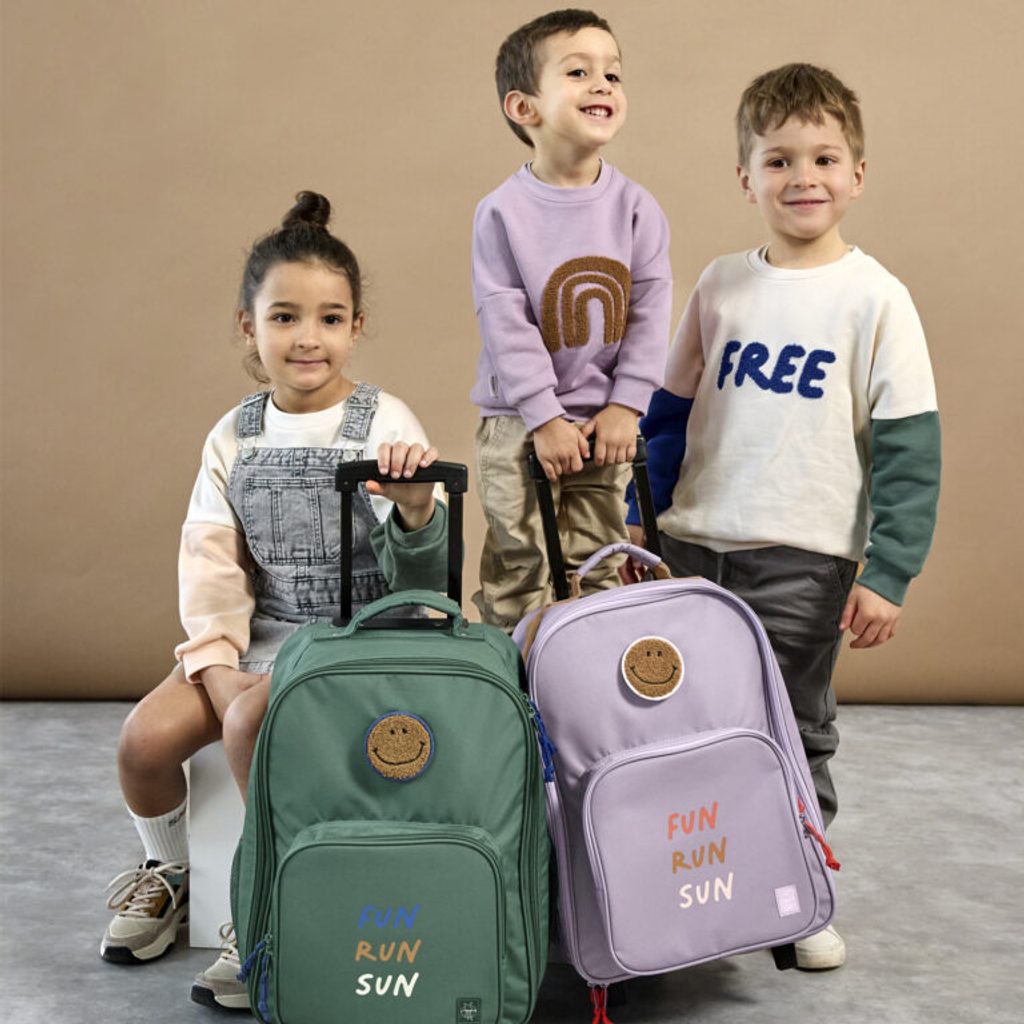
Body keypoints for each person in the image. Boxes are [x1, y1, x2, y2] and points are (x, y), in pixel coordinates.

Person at [100, 191, 450, 1011]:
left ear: (356, 327)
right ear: (247, 326)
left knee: (254, 724)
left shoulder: (382, 422)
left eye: (330, 319)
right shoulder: (235, 433)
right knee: (144, 740)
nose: (307, 338)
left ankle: (267, 904)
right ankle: (173, 868)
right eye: (284, 317)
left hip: (358, 643)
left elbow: (427, 585)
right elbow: (212, 563)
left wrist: (415, 508)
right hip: (263, 636)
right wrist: (218, 663)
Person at [626, 63, 941, 969]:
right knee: (678, 725)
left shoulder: (876, 298)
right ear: (746, 177)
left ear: (857, 173)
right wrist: (643, 517)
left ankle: (798, 895)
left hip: (804, 559)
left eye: (824, 158)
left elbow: (910, 449)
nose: (803, 177)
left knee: (790, 729)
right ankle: (688, 895)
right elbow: (667, 418)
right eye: (779, 160)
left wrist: (889, 571)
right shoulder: (721, 284)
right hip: (692, 545)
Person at [471, 7, 672, 630]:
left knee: (600, 556)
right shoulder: (502, 212)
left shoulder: (637, 208)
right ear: (524, 107)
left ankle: (594, 673)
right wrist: (543, 415)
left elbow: (650, 312)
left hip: (606, 420)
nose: (602, 84)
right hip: (520, 421)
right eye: (579, 72)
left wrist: (627, 405)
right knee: (523, 561)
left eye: (613, 74)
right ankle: (515, 675)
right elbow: (504, 318)